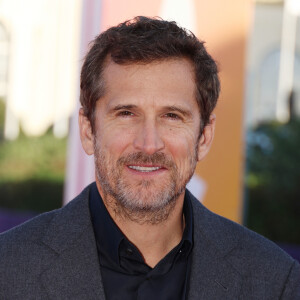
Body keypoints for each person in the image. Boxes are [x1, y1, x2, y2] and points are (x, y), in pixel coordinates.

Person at [0, 16, 299, 300]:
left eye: (171, 116)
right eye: (127, 114)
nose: (149, 144)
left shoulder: (275, 282)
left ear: (204, 137)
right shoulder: (8, 271)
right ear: (89, 130)